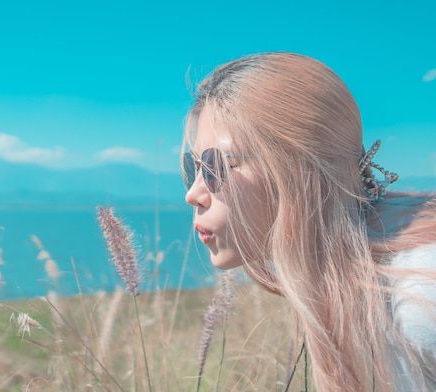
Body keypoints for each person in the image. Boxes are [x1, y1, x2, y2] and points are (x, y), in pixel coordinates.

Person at [181, 52, 436, 392]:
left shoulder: (418, 296)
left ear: (295, 169)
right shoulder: (349, 279)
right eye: (193, 167)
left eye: (217, 167)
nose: (193, 194)